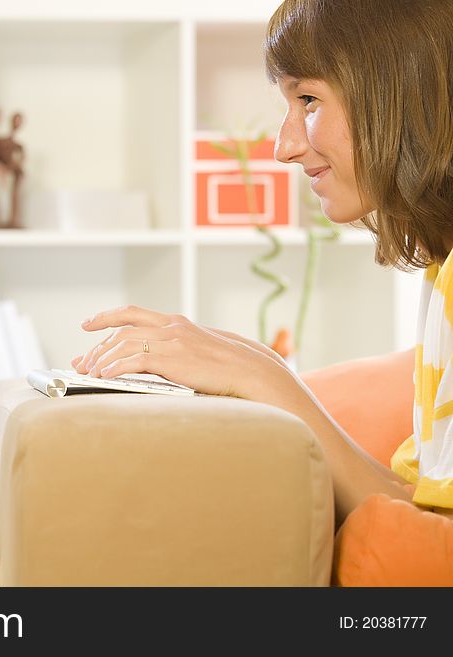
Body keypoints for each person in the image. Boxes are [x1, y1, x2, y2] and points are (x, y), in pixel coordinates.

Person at [71, 0, 453, 570]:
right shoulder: (439, 267)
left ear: (399, 87)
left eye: (308, 100)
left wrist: (270, 383)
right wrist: (245, 363)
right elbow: (421, 509)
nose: (284, 147)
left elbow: (427, 544)